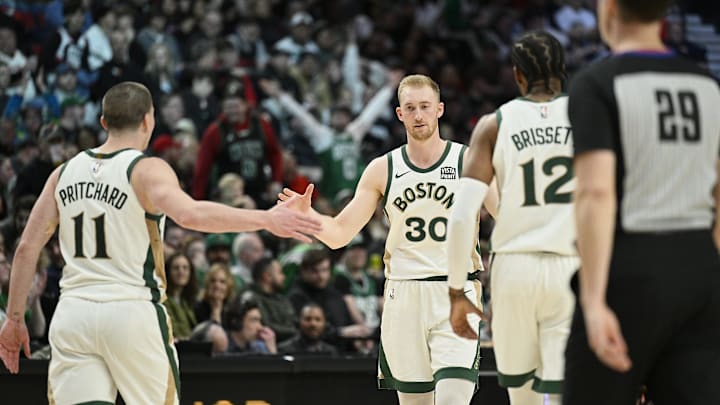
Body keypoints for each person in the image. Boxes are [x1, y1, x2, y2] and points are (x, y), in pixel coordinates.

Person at [0, 82, 321, 404]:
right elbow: (191, 214)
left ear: (103, 122)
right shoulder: (146, 170)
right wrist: (266, 219)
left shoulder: (63, 173)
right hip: (131, 309)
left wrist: (14, 320)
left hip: (74, 314)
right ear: (147, 121)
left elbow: (27, 248)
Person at [279, 74, 495, 404]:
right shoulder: (383, 168)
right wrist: (310, 219)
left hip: (455, 291)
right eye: (411, 108)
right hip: (403, 294)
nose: (419, 115)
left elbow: (508, 216)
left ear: (440, 109)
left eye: (425, 107)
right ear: (399, 114)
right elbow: (339, 234)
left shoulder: (468, 160)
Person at [562, 0, 720, 404]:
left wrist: (594, 300)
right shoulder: (708, 84)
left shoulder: (597, 82)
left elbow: (595, 192)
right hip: (701, 266)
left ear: (609, 8)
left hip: (631, 268)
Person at [446, 31, 576, 405]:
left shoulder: (494, 124)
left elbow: (461, 217)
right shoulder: (590, 115)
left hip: (514, 269)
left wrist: (457, 292)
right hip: (572, 265)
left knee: (523, 396)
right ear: (563, 70)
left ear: (517, 75)